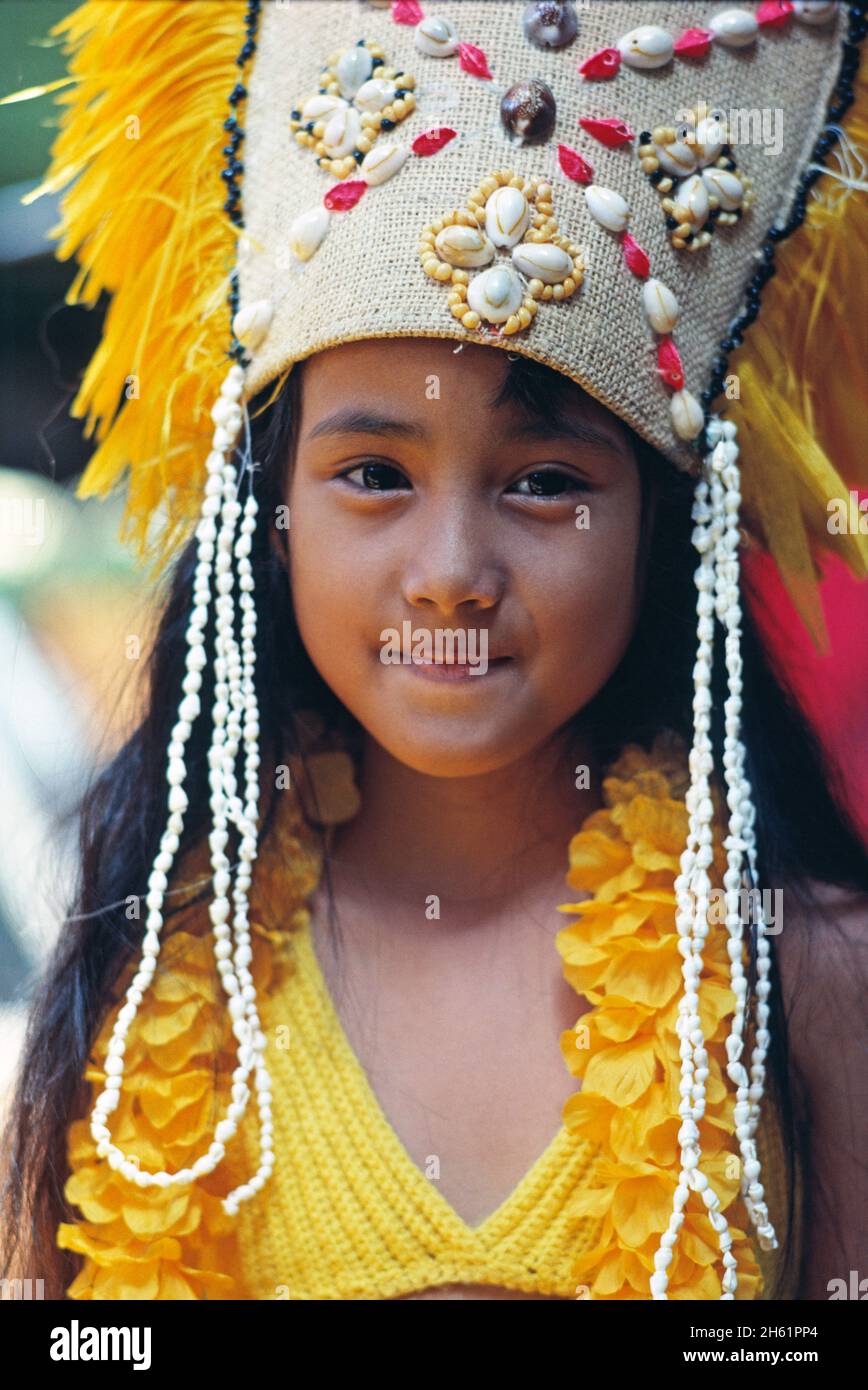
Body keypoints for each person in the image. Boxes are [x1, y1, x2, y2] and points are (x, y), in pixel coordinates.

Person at [1, 0, 866, 1301]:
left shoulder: (809, 969)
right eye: (371, 473)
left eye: (541, 479)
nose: (451, 569)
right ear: (270, 516)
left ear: (658, 526)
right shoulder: (146, 984)